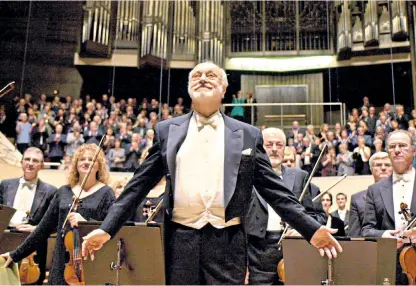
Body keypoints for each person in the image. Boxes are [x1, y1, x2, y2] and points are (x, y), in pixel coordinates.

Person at [81, 61, 341, 285]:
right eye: (196, 75)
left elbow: (275, 191)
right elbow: (137, 186)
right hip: (180, 242)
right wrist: (106, 229)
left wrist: (311, 229)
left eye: (211, 75)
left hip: (228, 243)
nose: (203, 78)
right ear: (188, 88)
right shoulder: (166, 131)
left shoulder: (248, 134)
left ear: (224, 89)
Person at [1, 144, 115, 285]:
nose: (86, 162)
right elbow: (43, 229)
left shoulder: (107, 193)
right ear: (76, 164)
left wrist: (86, 223)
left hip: (92, 262)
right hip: (62, 261)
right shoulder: (64, 192)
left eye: (92, 159)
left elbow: (111, 228)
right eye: (82, 159)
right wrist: (15, 255)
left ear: (99, 166)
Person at [246, 128, 317, 285]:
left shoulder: (300, 177)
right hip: (257, 252)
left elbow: (313, 215)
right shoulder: (246, 176)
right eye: (269, 145)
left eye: (279, 145)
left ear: (284, 148)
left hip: (292, 249)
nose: (274, 149)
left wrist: (302, 229)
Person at [361, 130, 416, 285]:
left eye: (402, 146)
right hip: (391, 267)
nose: (397, 150)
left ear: (414, 150)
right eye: (392, 146)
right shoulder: (375, 190)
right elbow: (366, 230)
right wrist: (384, 235)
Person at [0, 147, 57, 285]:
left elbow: (54, 223)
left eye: (35, 161)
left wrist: (37, 228)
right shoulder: (5, 185)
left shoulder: (51, 191)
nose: (30, 163)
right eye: (27, 159)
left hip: (33, 249)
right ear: (21, 162)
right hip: (5, 243)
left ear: (41, 165)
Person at [348, 152, 392, 237]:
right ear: (371, 169)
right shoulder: (357, 199)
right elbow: (354, 236)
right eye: (378, 165)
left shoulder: (401, 194)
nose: (383, 168)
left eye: (387, 165)